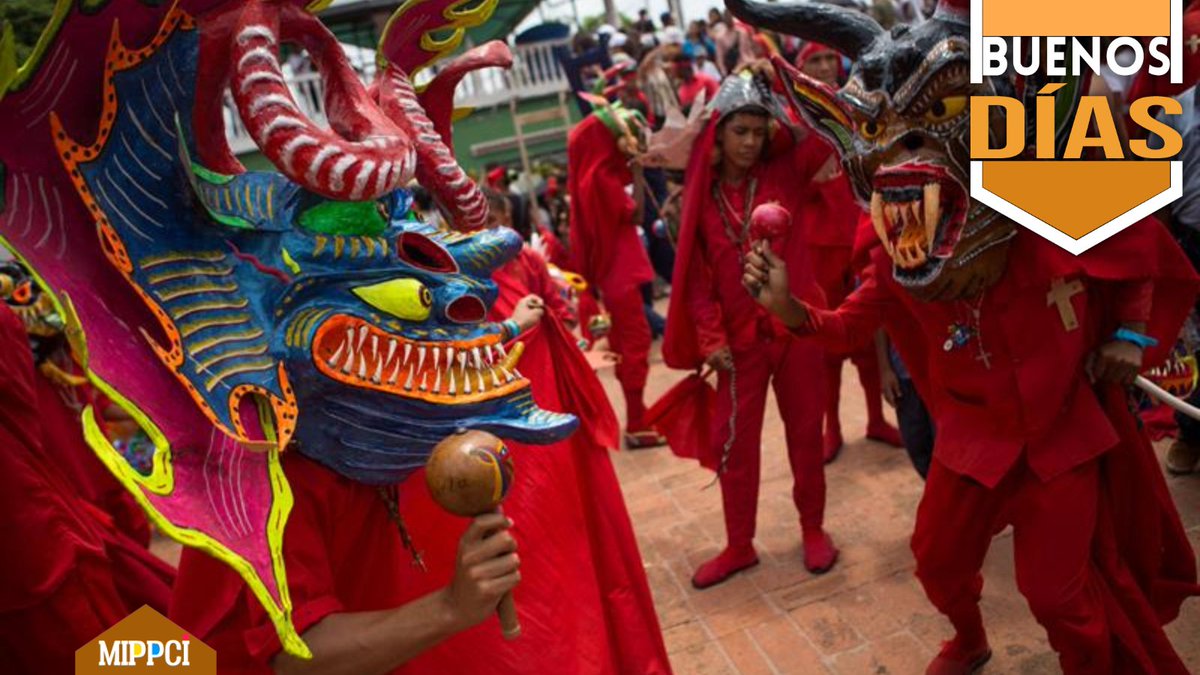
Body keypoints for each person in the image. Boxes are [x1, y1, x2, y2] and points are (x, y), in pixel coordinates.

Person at [744, 221, 1200, 673]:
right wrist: (788, 308)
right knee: (937, 564)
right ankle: (969, 639)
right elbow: (848, 327)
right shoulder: (901, 252)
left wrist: (1130, 333)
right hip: (972, 442)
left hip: (1061, 434)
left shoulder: (1046, 218)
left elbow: (1133, 240)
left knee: (1057, 596)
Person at [384, 192, 673, 675]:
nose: (483, 227)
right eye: (467, 218)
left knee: (560, 553)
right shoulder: (429, 275)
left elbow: (557, 317)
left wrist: (568, 340)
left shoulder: (525, 262)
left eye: (493, 218)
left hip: (534, 429)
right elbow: (442, 357)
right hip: (472, 442)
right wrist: (513, 329)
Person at [663, 75, 838, 589]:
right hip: (739, 345)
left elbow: (824, 130)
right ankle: (739, 545)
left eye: (759, 133)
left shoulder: (787, 170)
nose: (750, 142)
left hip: (796, 328)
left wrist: (780, 81)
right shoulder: (700, 199)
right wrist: (711, 338)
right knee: (734, 445)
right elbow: (697, 279)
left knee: (805, 435)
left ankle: (813, 529)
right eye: (740, 131)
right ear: (718, 134)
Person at [793, 42, 903, 460]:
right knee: (825, 342)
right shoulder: (794, 120)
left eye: (829, 58)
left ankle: (875, 419)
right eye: (815, 60)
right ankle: (833, 428)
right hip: (818, 246)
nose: (825, 66)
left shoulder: (858, 108)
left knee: (871, 333)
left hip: (859, 235)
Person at [567, 104, 662, 448]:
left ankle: (639, 415)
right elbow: (635, 215)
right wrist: (636, 172)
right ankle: (636, 422)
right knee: (635, 344)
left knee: (628, 344)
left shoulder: (590, 178)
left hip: (612, 275)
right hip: (619, 274)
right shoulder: (602, 179)